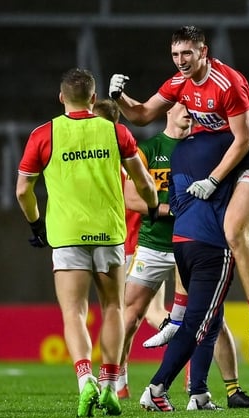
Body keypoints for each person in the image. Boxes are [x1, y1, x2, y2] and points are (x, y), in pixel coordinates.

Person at [108, 25, 249, 362]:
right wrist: (120, 98)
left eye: (187, 53)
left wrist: (214, 180)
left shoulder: (227, 83)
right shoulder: (179, 82)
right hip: (222, 153)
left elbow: (244, 140)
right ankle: (178, 315)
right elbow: (144, 114)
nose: (180, 60)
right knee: (189, 227)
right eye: (175, 54)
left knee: (234, 232)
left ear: (203, 51)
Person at [16, 68, 159, 418]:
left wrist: (36, 225)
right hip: (110, 234)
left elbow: (23, 190)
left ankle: (85, 381)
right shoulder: (115, 131)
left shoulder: (43, 134)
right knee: (113, 309)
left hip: (66, 235)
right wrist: (153, 206)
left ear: (61, 97)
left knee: (74, 312)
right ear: (94, 99)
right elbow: (143, 182)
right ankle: (110, 386)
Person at [119, 102, 249, 408]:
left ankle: (202, 390)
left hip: (183, 242)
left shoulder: (188, 150)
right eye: (183, 106)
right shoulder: (179, 146)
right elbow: (129, 196)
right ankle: (139, 385)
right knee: (184, 318)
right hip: (182, 242)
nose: (189, 112)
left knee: (209, 318)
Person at [94, 98, 170, 335]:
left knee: (119, 312)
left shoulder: (103, 162)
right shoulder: (133, 157)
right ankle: (190, 335)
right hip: (149, 242)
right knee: (153, 311)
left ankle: (115, 373)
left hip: (126, 245)